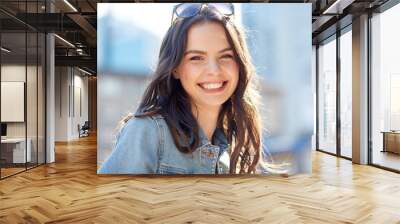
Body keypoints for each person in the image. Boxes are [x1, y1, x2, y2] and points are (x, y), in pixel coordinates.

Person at [98, 3, 267, 175]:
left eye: (226, 56)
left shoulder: (231, 148)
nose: (214, 70)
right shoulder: (148, 132)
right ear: (175, 68)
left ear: (239, 64)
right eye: (196, 58)